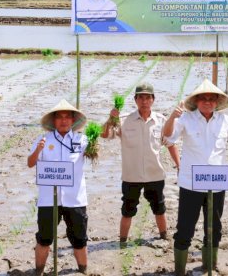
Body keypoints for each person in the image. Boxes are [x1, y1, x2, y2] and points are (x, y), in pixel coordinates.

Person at [163, 79, 228, 276]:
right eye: (203, 99)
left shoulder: (225, 121)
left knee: (214, 229)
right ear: (196, 101)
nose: (207, 102)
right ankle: (179, 270)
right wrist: (172, 117)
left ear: (217, 102)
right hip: (191, 184)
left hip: (217, 184)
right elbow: (167, 139)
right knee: (185, 229)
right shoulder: (185, 119)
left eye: (211, 99)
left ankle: (209, 266)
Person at [101, 83, 181, 246]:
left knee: (159, 207)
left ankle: (163, 236)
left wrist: (179, 165)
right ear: (135, 100)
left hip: (155, 173)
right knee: (127, 210)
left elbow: (170, 144)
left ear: (153, 100)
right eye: (141, 97)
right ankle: (122, 241)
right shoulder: (123, 120)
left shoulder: (161, 121)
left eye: (147, 97)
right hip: (132, 175)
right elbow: (105, 134)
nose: (144, 101)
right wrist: (110, 119)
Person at [27, 100, 90, 275]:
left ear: (73, 120)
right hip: (48, 199)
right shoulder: (43, 140)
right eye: (60, 117)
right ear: (53, 121)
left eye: (67, 117)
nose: (63, 121)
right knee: (44, 239)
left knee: (79, 240)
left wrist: (110, 123)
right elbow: (30, 163)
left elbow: (101, 143)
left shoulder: (82, 139)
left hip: (75, 198)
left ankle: (83, 270)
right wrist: (38, 151)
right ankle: (38, 271)